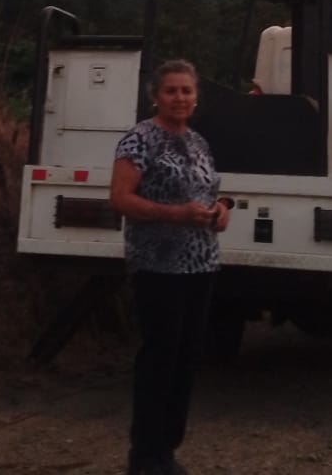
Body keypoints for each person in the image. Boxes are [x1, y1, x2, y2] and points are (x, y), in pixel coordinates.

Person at [109, 59, 229, 475]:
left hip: (201, 264)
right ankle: (145, 456)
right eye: (171, 90)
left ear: (196, 98)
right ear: (156, 96)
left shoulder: (198, 142)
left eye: (186, 91)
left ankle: (167, 451)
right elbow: (120, 198)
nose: (180, 98)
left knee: (187, 359)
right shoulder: (139, 140)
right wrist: (175, 214)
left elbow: (207, 189)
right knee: (160, 358)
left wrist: (221, 209)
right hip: (158, 266)